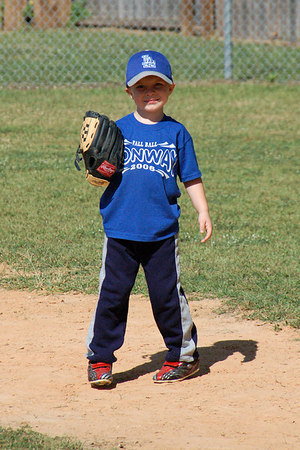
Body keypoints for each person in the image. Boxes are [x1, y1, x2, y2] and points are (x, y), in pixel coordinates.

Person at [86, 50, 213, 387]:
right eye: (142, 86)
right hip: (120, 230)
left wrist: (203, 209)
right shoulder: (116, 131)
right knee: (111, 295)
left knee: (166, 297)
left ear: (170, 89)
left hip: (160, 233)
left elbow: (191, 177)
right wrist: (96, 169)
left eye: (158, 84)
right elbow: (102, 175)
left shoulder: (177, 133)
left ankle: (182, 355)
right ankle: (99, 359)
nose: (150, 92)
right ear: (129, 91)